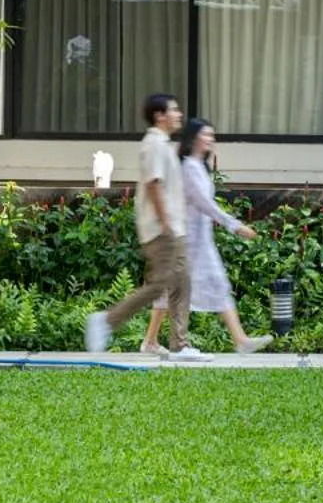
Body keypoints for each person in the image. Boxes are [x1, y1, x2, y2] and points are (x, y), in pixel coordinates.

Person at [86, 94, 203, 359]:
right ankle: (106, 321)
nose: (179, 114)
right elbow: (153, 184)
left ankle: (180, 345)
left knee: (181, 282)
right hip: (163, 229)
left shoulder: (163, 144)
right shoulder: (154, 145)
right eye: (173, 110)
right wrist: (165, 222)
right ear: (160, 116)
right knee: (160, 285)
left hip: (173, 227)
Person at [141, 118, 268, 355]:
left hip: (200, 240)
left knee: (214, 284)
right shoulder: (189, 167)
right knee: (177, 288)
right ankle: (151, 341)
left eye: (211, 134)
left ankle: (240, 340)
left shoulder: (199, 166)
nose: (210, 138)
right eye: (205, 134)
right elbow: (204, 204)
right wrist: (235, 226)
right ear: (193, 138)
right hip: (187, 240)